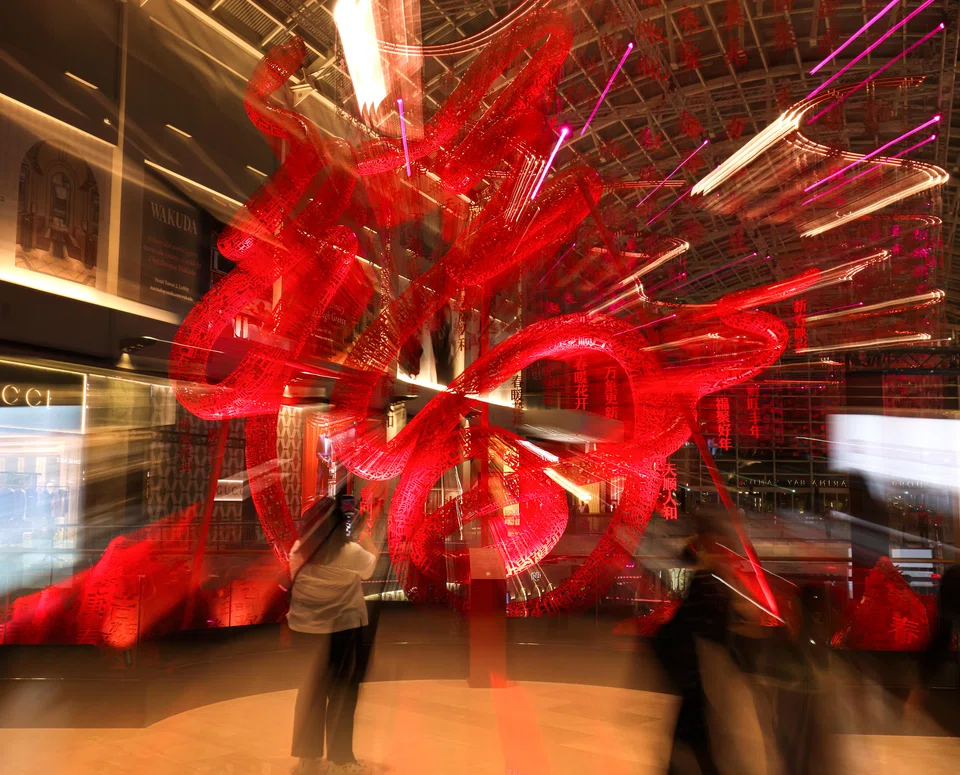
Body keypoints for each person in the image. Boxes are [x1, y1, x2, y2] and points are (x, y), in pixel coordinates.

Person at [288, 489, 379, 775]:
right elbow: (370, 566)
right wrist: (366, 537)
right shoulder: (349, 553)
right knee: (342, 693)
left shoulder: (297, 551)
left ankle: (308, 759)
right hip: (342, 630)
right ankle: (341, 760)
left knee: (310, 693)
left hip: (303, 631)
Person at [652, 510, 734, 775]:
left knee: (690, 737)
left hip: (694, 675)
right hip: (695, 675)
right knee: (696, 738)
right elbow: (705, 627)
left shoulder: (707, 579)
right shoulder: (705, 580)